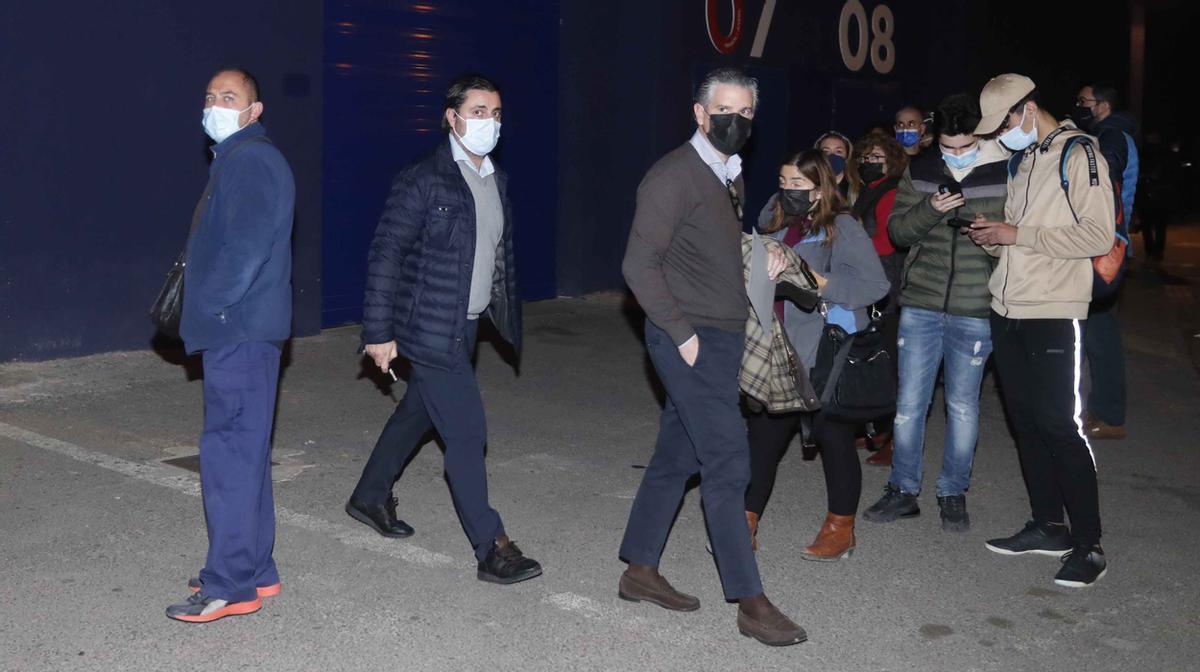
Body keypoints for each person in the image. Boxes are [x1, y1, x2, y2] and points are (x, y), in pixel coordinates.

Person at [619, 67, 806, 647]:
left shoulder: (729, 173)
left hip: (720, 334)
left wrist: (763, 257)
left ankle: (640, 569)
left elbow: (710, 248)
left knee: (678, 455)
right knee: (729, 462)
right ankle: (750, 601)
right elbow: (637, 265)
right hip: (690, 337)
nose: (736, 120)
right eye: (725, 110)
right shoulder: (674, 175)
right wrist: (681, 333)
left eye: (746, 112)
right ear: (699, 114)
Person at [347, 74, 542, 586]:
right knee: (467, 432)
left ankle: (369, 495)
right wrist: (379, 330)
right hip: (428, 326)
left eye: (496, 113)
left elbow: (494, 256)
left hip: (468, 323)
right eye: (477, 112)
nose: (489, 122)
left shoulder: (495, 178)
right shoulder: (423, 178)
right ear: (451, 118)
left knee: (418, 413)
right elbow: (385, 252)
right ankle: (491, 547)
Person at [969, 74, 1115, 588]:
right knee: (1026, 423)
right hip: (1008, 308)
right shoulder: (1025, 159)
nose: (1000, 134)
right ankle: (1048, 526)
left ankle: (1089, 545)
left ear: (1028, 109)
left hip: (1054, 308)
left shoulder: (1081, 153)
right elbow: (1020, 238)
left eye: (1004, 122)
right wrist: (993, 238)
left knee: (1061, 425)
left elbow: (1099, 234)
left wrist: (1018, 234)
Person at [166, 68, 295, 623]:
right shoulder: (240, 161)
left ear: (254, 110)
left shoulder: (252, 162)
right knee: (246, 455)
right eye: (210, 96)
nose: (215, 105)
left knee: (229, 459)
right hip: (245, 332)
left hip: (238, 331)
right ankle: (255, 570)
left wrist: (214, 306)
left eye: (229, 97)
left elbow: (245, 251)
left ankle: (230, 584)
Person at [863, 93, 1007, 532]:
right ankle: (904, 490)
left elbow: (1017, 242)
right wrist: (930, 210)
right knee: (909, 404)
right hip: (921, 304)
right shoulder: (921, 169)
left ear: (980, 137)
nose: (957, 155)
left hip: (976, 307)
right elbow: (898, 233)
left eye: (966, 147)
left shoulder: (1004, 172)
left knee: (963, 406)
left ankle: (952, 492)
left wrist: (993, 237)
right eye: (948, 147)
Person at [744, 149, 889, 558]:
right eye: (783, 181)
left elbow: (875, 286)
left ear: (822, 187)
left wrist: (819, 281)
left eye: (798, 185)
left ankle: (840, 528)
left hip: (822, 351)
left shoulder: (841, 227)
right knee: (764, 437)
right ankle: (743, 524)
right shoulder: (774, 219)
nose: (788, 190)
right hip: (773, 344)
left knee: (833, 435)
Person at [1075, 82, 1140, 441]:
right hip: (1110, 247)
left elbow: (1099, 187)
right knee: (1095, 334)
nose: (1080, 107)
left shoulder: (1111, 137)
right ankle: (1099, 407)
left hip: (1104, 250)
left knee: (1101, 337)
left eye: (1084, 102)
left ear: (1102, 104)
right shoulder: (1114, 134)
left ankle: (1111, 415)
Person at [851, 132, 909, 465]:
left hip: (886, 287)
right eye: (865, 158)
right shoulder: (869, 191)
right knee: (870, 356)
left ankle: (893, 437)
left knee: (887, 362)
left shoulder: (890, 191)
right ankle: (877, 427)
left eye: (877, 158)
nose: (870, 163)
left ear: (892, 161)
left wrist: (853, 235)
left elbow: (886, 244)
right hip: (871, 284)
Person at [815, 130, 861, 205]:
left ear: (847, 157)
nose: (832, 155)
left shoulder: (857, 189)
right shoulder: (810, 185)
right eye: (826, 151)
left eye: (838, 151)